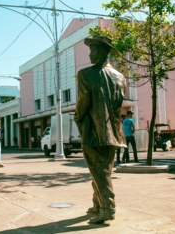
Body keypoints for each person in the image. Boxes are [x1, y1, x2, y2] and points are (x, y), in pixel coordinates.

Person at [74, 35, 126, 224]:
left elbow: (83, 101)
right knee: (104, 170)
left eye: (93, 50)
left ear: (101, 52)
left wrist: (78, 119)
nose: (89, 54)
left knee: (99, 171)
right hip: (114, 131)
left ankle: (107, 208)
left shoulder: (85, 74)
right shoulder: (120, 76)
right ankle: (97, 203)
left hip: (93, 129)